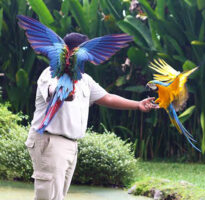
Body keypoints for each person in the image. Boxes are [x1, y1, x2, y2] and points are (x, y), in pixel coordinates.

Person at [25, 33, 158, 200]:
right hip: (50, 141)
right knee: (48, 196)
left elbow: (107, 97)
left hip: (71, 145)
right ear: (73, 52)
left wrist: (138, 104)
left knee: (58, 196)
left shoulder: (84, 79)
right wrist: (65, 93)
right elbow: (53, 90)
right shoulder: (51, 73)